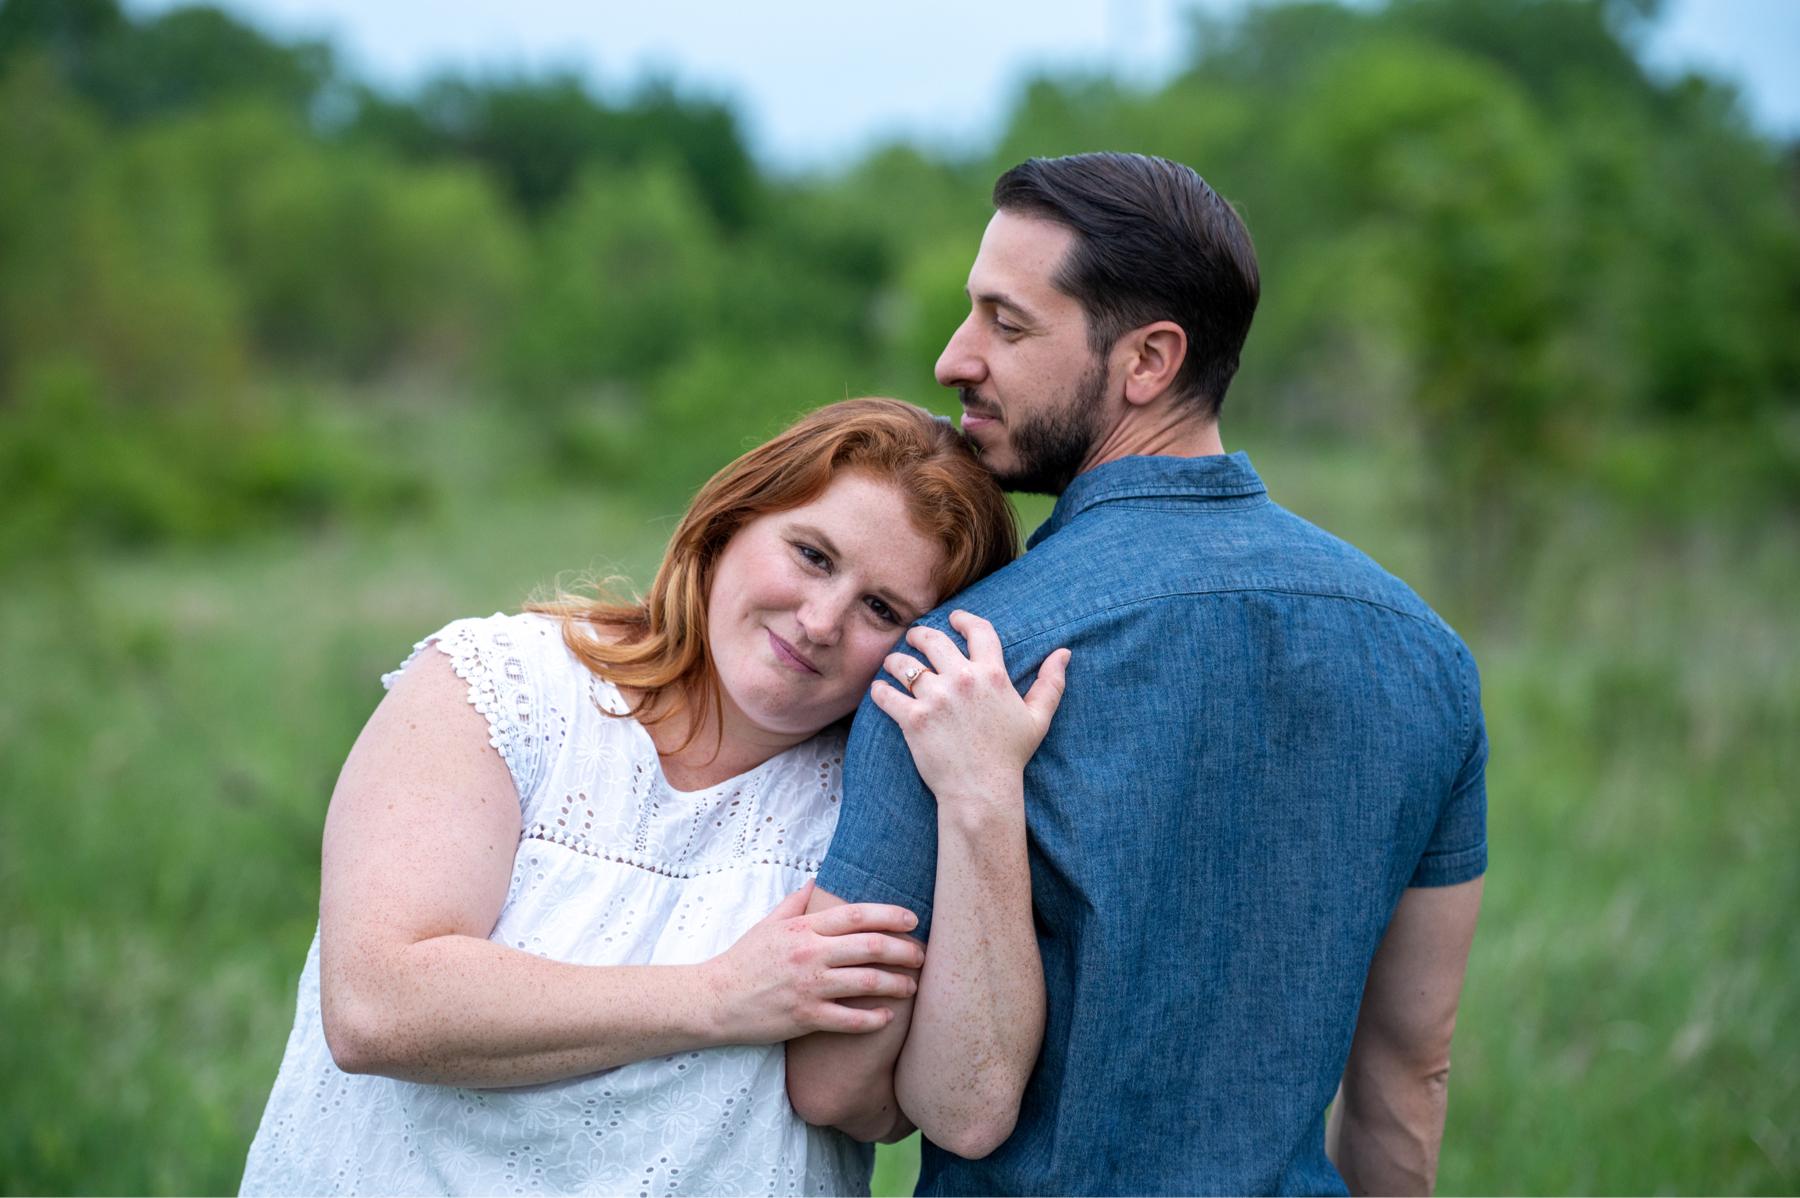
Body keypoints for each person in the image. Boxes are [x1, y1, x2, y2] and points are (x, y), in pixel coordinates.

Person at [786, 153, 1488, 1196]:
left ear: (1149, 359)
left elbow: (840, 1084)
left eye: (1006, 324)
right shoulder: (1430, 659)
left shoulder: (957, 665)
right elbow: (1405, 1076)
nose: (952, 357)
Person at [239, 398, 1072, 1196]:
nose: (821, 620)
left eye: (882, 609)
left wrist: (984, 796)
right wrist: (718, 995)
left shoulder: (874, 806)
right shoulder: (503, 687)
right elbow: (378, 1005)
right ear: (730, 522)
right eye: (812, 555)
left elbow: (890, 1103)